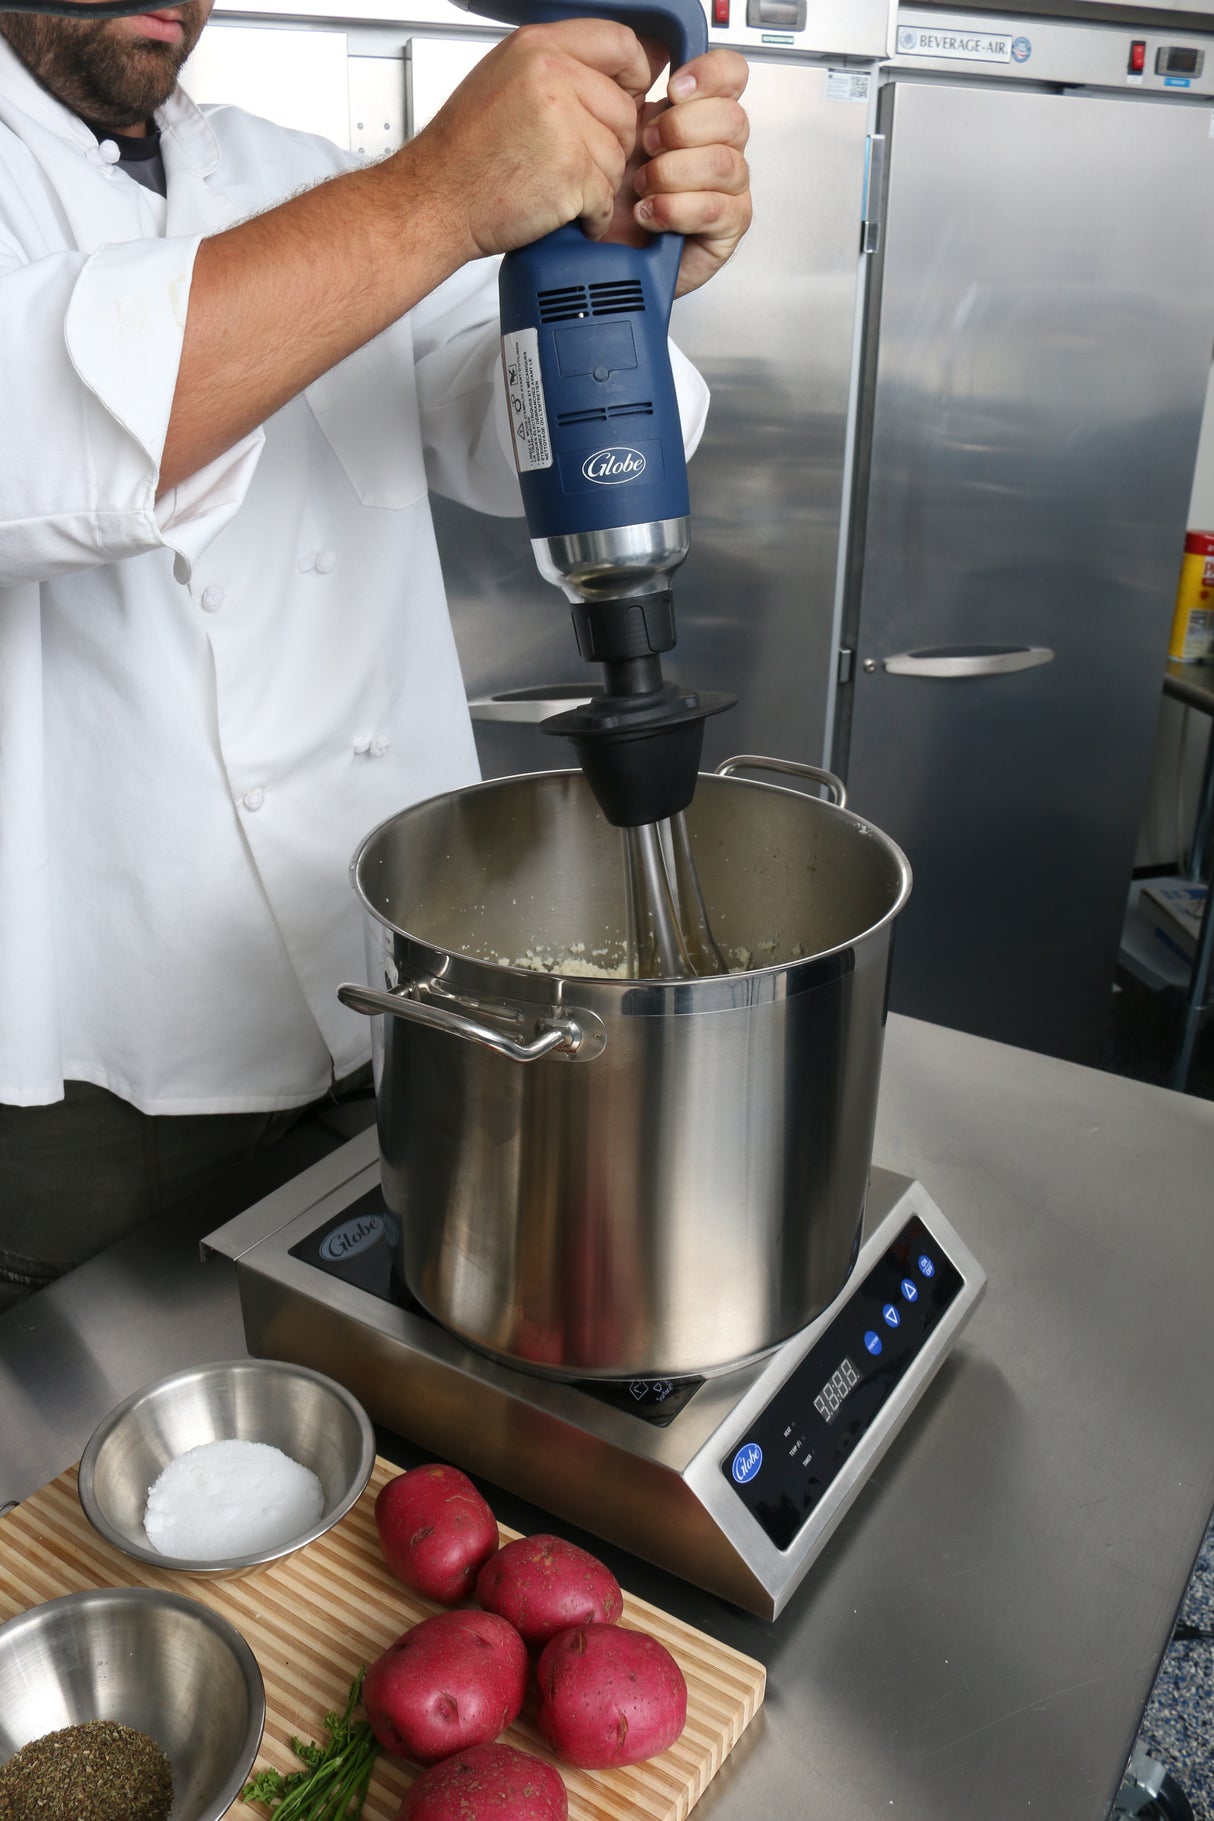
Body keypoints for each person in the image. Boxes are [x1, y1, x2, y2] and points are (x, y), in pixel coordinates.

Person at [0, 0, 752, 1306]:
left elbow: (504, 421)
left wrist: (614, 271)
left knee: (390, 1365)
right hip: (98, 1067)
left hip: (394, 989)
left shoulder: (303, 174)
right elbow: (45, 434)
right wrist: (437, 198)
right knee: (105, 1403)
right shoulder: (390, 198)